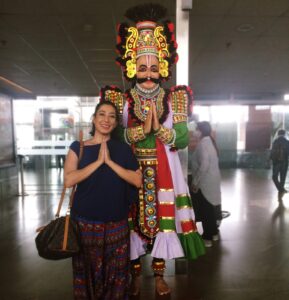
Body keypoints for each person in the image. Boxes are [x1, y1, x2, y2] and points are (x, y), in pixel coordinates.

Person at [99, 3, 205, 296]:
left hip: (163, 171)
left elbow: (181, 138)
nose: (148, 74)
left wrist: (158, 130)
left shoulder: (176, 98)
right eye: (142, 67)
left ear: (164, 67)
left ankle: (158, 275)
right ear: (132, 66)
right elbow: (115, 135)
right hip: (129, 171)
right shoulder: (120, 99)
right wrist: (141, 130)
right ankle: (134, 275)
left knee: (160, 220)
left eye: (154, 67)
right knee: (131, 221)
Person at [64, 100, 142, 300]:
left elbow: (137, 180)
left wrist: (110, 163)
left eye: (112, 116)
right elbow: (68, 180)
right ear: (93, 118)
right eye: (102, 114)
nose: (106, 120)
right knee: (86, 274)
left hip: (117, 222)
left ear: (116, 123)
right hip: (84, 223)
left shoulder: (123, 150)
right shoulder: (78, 147)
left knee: (117, 277)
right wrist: (98, 162)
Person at [190, 121, 222, 248]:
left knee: (206, 210)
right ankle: (214, 233)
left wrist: (195, 182)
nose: (195, 132)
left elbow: (204, 165)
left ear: (201, 131)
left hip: (205, 182)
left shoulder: (203, 144)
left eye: (196, 129)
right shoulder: (209, 142)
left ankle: (207, 237)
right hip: (212, 180)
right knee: (211, 208)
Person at [270, 129, 289, 197]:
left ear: (278, 134)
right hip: (285, 162)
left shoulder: (275, 141)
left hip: (276, 162)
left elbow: (272, 152)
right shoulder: (287, 141)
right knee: (282, 177)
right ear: (284, 134)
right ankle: (281, 189)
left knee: (274, 176)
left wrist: (271, 159)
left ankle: (280, 189)